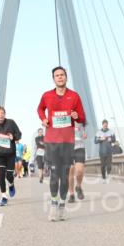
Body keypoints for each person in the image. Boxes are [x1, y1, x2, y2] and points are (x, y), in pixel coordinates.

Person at [37, 66, 86, 221]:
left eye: (62, 75)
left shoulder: (74, 96)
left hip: (67, 142)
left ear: (66, 77)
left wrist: (76, 116)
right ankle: (53, 205)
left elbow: (82, 118)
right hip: (51, 141)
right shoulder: (47, 95)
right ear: (53, 79)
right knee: (54, 175)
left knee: (64, 176)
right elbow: (39, 109)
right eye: (57, 75)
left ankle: (62, 207)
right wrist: (43, 119)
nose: (60, 77)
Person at [0, 106, 21, 205]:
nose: (1, 115)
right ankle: (4, 197)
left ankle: (11, 184)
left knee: (9, 175)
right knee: (1, 174)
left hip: (10, 153)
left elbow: (19, 134)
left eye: (2, 113)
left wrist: (13, 137)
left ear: (4, 114)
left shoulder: (11, 123)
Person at [68, 121, 87, 200]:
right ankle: (71, 194)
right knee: (70, 171)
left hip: (79, 146)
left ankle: (78, 186)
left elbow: (84, 130)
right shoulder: (63, 117)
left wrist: (85, 134)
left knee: (80, 170)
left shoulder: (80, 119)